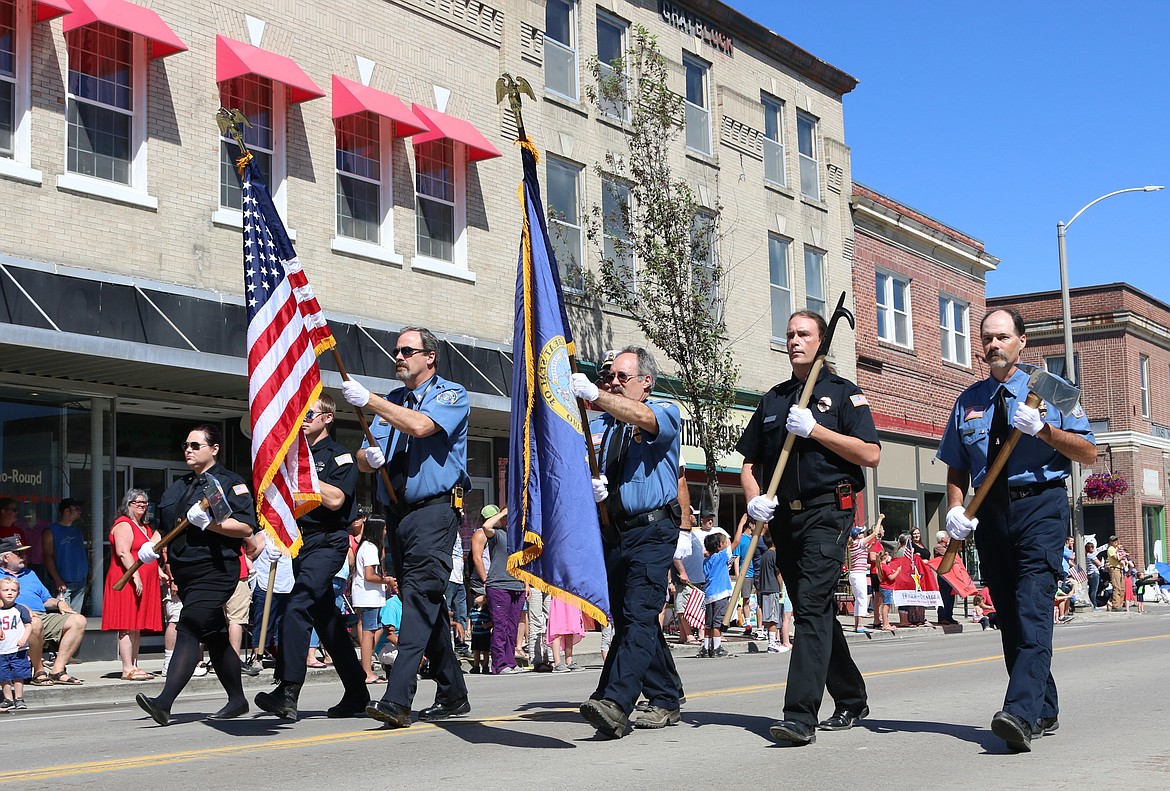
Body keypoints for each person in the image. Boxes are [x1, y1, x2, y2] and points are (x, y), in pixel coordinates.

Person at [938, 307, 1096, 752]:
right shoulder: (968, 400)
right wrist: (956, 509)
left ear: (1021, 341)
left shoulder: (1052, 392)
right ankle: (1044, 707)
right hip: (990, 512)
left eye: (1002, 337)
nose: (994, 345)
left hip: (1040, 508)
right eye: (987, 338)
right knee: (1008, 616)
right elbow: (956, 465)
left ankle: (1019, 714)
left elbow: (1087, 452)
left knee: (1032, 609)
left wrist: (1044, 430)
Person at [737, 310, 880, 746]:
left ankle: (800, 715)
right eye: (789, 334)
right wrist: (754, 500)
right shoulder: (774, 400)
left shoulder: (843, 396)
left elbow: (870, 454)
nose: (795, 341)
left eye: (803, 334)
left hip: (827, 512)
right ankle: (852, 697)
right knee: (811, 607)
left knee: (813, 605)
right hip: (785, 516)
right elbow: (749, 462)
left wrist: (816, 430)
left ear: (821, 341)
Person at [342, 326, 472, 727]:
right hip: (396, 513)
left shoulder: (451, 394)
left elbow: (420, 426)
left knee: (418, 597)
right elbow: (362, 455)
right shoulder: (393, 400)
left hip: (435, 511)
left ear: (429, 356)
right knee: (426, 602)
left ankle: (398, 696)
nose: (398, 357)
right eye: (396, 351)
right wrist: (368, 458)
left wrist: (372, 400)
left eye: (407, 351)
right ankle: (453, 692)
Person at [569, 345, 684, 737]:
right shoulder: (605, 426)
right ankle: (666, 696)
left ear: (645, 382)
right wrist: (596, 488)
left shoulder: (664, 410)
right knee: (628, 616)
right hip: (616, 530)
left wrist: (596, 396)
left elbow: (646, 418)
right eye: (610, 377)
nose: (613, 383)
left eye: (623, 377)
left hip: (654, 530)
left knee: (639, 613)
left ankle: (616, 701)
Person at [133, 423, 259, 726]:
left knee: (188, 625)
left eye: (195, 445)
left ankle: (164, 702)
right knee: (214, 635)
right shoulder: (179, 486)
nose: (188, 450)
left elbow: (245, 527)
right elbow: (165, 527)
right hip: (186, 572)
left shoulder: (229, 483)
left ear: (213, 449)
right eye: (186, 446)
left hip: (215, 570)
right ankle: (238, 700)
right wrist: (149, 547)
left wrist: (209, 524)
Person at [0, 535, 86, 686]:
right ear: (6, 557)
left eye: (23, 553)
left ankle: (57, 671)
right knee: (35, 622)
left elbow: (45, 599)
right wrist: (20, 608)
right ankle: (39, 671)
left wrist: (59, 603)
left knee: (78, 620)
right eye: (18, 553)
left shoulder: (30, 574)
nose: (23, 556)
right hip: (16, 619)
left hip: (41, 615)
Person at [101, 489, 163, 680]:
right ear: (127, 504)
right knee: (126, 624)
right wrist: (134, 576)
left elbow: (148, 554)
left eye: (144, 503)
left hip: (143, 581)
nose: (142, 506)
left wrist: (159, 572)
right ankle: (127, 668)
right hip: (126, 579)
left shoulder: (145, 528)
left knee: (136, 626)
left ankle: (135, 665)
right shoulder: (123, 524)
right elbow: (123, 552)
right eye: (137, 502)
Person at [472, 505, 526, 675]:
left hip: (517, 585)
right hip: (499, 585)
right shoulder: (496, 535)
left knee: (512, 627)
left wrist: (526, 583)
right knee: (500, 626)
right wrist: (502, 513)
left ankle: (510, 661)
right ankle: (500, 664)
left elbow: (522, 561)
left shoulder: (516, 536)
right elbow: (486, 527)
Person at [42, 499, 88, 613]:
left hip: (80, 582)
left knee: (76, 617)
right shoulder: (51, 531)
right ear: (66, 511)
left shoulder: (77, 532)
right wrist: (57, 579)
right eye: (76, 509)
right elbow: (47, 556)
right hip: (63, 583)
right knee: (63, 618)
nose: (79, 512)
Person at [699, 529, 738, 658]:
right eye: (723, 542)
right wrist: (742, 523)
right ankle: (716, 648)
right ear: (719, 546)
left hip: (709, 594)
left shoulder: (706, 561)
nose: (726, 543)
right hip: (720, 594)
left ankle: (706, 648)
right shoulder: (721, 556)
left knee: (708, 624)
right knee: (717, 623)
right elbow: (736, 541)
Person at [0, 575, 32, 711]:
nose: (9, 593)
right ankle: (8, 698)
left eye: (13, 590)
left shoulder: (20, 609)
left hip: (17, 649)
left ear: (18, 593)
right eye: (6, 590)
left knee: (19, 675)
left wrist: (24, 638)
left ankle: (19, 698)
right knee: (3, 676)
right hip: (2, 649)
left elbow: (28, 625)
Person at [848, 521, 883, 633]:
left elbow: (866, 551)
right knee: (862, 599)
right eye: (862, 532)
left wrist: (873, 544)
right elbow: (874, 533)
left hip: (855, 574)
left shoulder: (856, 545)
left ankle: (857, 624)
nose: (864, 533)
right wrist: (880, 519)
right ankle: (860, 625)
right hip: (859, 574)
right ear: (858, 535)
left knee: (859, 600)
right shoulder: (859, 542)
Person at [547, 597, 585, 672]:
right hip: (559, 596)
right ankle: (557, 663)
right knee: (557, 631)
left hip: (572, 597)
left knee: (570, 630)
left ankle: (569, 661)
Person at [933, 531, 958, 625]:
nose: (948, 538)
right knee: (944, 596)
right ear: (942, 539)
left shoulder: (947, 548)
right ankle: (942, 617)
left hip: (951, 576)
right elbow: (950, 555)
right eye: (947, 537)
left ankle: (949, 616)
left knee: (951, 597)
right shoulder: (938, 547)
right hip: (943, 576)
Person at [1103, 536, 1124, 611]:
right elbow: (1117, 558)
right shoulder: (1111, 549)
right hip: (1114, 568)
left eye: (1116, 540)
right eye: (1113, 540)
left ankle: (1120, 605)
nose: (1116, 542)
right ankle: (1116, 605)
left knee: (1122, 588)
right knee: (1117, 587)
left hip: (1120, 568)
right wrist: (1124, 555)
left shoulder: (1116, 548)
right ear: (1111, 542)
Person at [1084, 541, 1102, 611]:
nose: (1093, 549)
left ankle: (1092, 604)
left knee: (1091, 590)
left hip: (1089, 573)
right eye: (1092, 547)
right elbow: (1099, 563)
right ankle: (1094, 605)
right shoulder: (1091, 555)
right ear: (1089, 548)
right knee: (1094, 590)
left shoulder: (1085, 556)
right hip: (1094, 573)